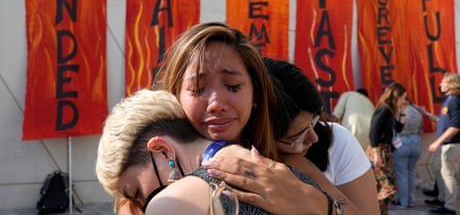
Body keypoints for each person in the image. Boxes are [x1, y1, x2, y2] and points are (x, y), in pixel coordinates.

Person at [154, 22, 360, 214]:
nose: (216, 104)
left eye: (233, 86)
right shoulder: (153, 161)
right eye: (198, 89)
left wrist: (316, 203)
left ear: (256, 95)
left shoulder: (283, 164)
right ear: (176, 94)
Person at [95, 89, 328, 214]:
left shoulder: (172, 203)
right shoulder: (273, 166)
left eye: (136, 192)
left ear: (163, 151)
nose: (141, 206)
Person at [263, 57, 380, 214]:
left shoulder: (336, 141)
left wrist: (319, 199)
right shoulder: (231, 159)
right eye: (297, 137)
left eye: (314, 120)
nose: (314, 137)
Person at [367, 82, 407, 215]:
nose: (404, 100)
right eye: (403, 97)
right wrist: (376, 153)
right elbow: (374, 132)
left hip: (386, 150)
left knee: (380, 187)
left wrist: (402, 112)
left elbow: (398, 129)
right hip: (380, 151)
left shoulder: (390, 111)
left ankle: (379, 211)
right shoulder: (384, 109)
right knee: (388, 187)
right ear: (396, 96)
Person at [427, 72, 460, 215]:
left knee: (448, 174)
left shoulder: (454, 101)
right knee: (437, 168)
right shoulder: (448, 101)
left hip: (452, 144)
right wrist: (428, 115)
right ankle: (442, 197)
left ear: (452, 85)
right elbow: (445, 121)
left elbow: (455, 126)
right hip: (445, 144)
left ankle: (450, 207)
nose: (440, 84)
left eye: (443, 82)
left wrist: (437, 142)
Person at [391, 99, 423, 209]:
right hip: (416, 141)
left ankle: (402, 202)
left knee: (401, 174)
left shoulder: (398, 110)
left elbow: (395, 128)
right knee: (411, 173)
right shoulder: (416, 110)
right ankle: (411, 200)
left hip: (402, 142)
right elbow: (421, 126)